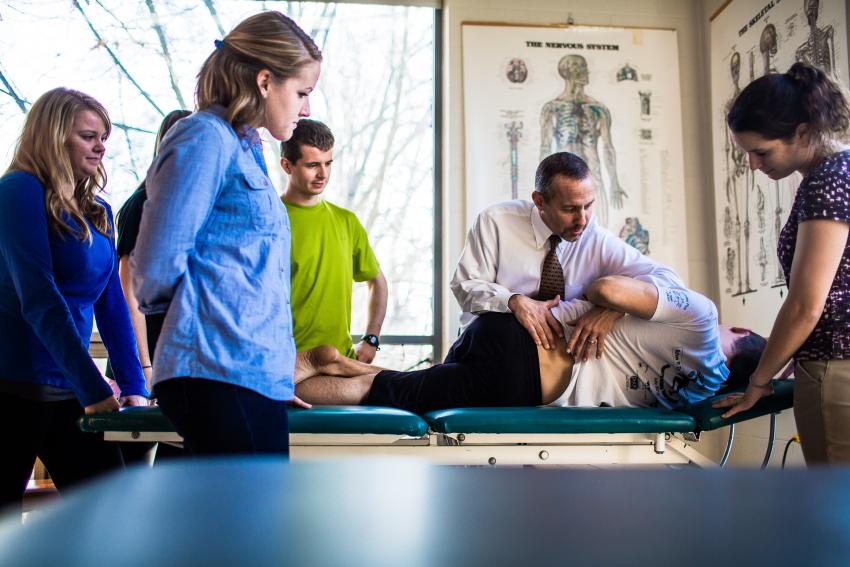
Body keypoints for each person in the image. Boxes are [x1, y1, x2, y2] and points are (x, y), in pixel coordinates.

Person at [131, 12, 321, 457]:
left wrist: (267, 375)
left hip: (248, 375)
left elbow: (252, 277)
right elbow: (156, 269)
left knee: (243, 524)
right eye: (302, 93)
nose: (307, 108)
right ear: (263, 81)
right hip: (217, 370)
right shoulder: (203, 137)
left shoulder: (247, 147)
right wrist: (218, 365)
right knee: (247, 525)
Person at [295, 276, 765, 413]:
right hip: (524, 370)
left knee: (404, 385)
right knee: (400, 396)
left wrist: (611, 308)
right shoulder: (697, 395)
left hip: (513, 345)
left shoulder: (703, 318)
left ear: (741, 331)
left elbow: (606, 288)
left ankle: (328, 364)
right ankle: (288, 387)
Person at [0, 88, 148, 510]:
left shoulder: (97, 209)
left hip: (68, 389)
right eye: (88, 136)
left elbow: (112, 303)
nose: (101, 146)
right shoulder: (17, 191)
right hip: (11, 388)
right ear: (54, 136)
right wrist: (92, 383)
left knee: (112, 509)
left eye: (104, 137)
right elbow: (40, 298)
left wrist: (135, 385)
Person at [715, 62, 850, 465]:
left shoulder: (828, 180)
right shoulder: (839, 172)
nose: (754, 165)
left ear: (802, 132)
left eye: (761, 151)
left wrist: (759, 381)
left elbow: (806, 303)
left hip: (837, 371)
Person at [451, 151, 684, 361]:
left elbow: (670, 282)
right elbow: (465, 285)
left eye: (588, 205)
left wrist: (615, 308)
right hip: (482, 350)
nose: (582, 219)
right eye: (570, 209)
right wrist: (513, 301)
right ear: (539, 201)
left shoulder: (594, 237)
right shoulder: (496, 221)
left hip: (554, 370)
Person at [104, 109, 191, 465]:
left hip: (177, 367)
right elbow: (128, 292)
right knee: (129, 470)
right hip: (142, 363)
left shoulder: (185, 209)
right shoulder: (143, 204)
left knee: (175, 470)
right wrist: (144, 369)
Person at [280, 119, 387, 363]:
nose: (323, 174)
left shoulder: (346, 221)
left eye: (328, 163)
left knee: (407, 388)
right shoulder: (271, 219)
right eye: (313, 165)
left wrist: (371, 340)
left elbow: (378, 283)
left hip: (341, 362)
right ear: (287, 165)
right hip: (291, 365)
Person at [539, 54, 627, 226]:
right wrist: (542, 187)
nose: (587, 72)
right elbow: (545, 147)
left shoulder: (598, 109)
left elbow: (608, 147)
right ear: (570, 73)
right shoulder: (552, 109)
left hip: (593, 181)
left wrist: (615, 183)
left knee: (597, 235)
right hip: (561, 186)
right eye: (581, 68)